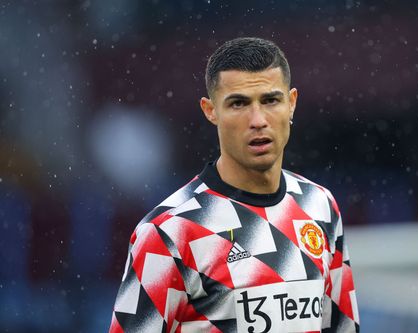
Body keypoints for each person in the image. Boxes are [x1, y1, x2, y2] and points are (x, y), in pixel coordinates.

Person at [109, 37, 360, 333]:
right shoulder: (169, 232)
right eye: (238, 103)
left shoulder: (320, 206)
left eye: (270, 100)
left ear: (291, 103)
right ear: (210, 110)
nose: (257, 120)